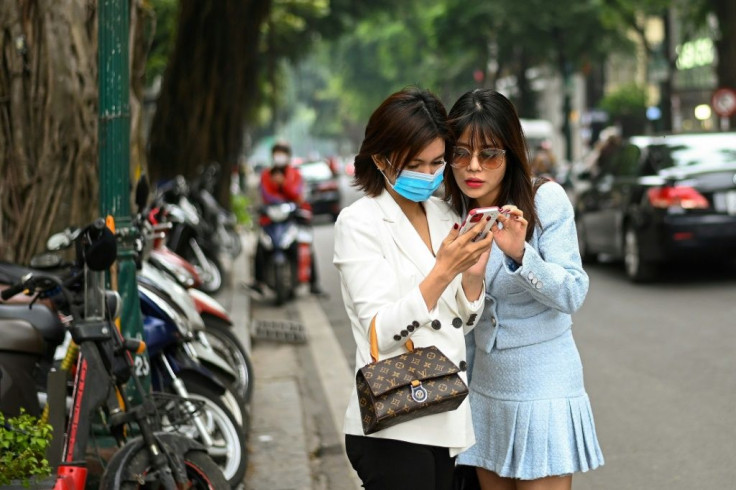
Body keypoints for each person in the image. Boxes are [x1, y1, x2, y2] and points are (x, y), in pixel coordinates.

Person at [333, 87, 494, 490]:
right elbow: (378, 333)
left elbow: (460, 323)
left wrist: (472, 276)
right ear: (382, 157)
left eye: (437, 162)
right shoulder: (359, 223)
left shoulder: (443, 213)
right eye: (415, 164)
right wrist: (442, 271)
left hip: (446, 413)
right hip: (394, 421)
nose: (427, 175)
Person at [443, 89, 604, 489]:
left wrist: (521, 255)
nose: (473, 166)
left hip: (544, 385)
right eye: (460, 153)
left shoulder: (543, 200)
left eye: (489, 154)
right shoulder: (453, 213)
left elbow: (572, 293)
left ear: (511, 154)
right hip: (485, 387)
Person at [250, 141, 325, 296]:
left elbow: (297, 195)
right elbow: (266, 195)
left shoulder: (295, 175)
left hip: (291, 219)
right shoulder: (266, 175)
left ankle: (314, 283)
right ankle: (258, 282)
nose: (280, 156)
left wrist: (283, 185)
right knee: (260, 246)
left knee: (306, 245)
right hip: (271, 219)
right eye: (277, 153)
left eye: (282, 153)